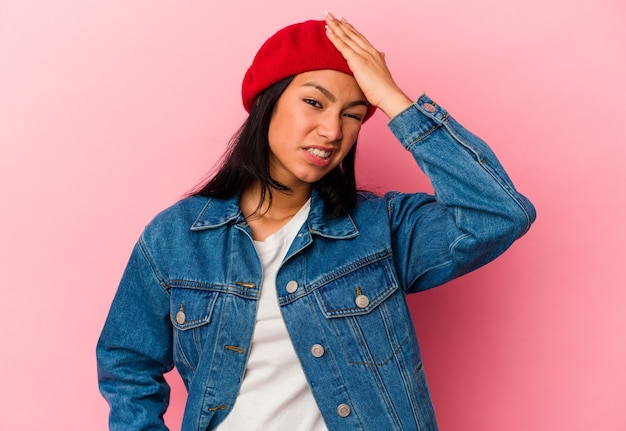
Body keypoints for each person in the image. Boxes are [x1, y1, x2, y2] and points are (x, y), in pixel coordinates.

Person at [97, 12, 536, 431]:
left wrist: (393, 100)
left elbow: (499, 213)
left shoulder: (381, 229)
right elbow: (127, 362)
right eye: (313, 102)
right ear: (268, 104)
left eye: (353, 113)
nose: (332, 130)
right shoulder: (176, 239)